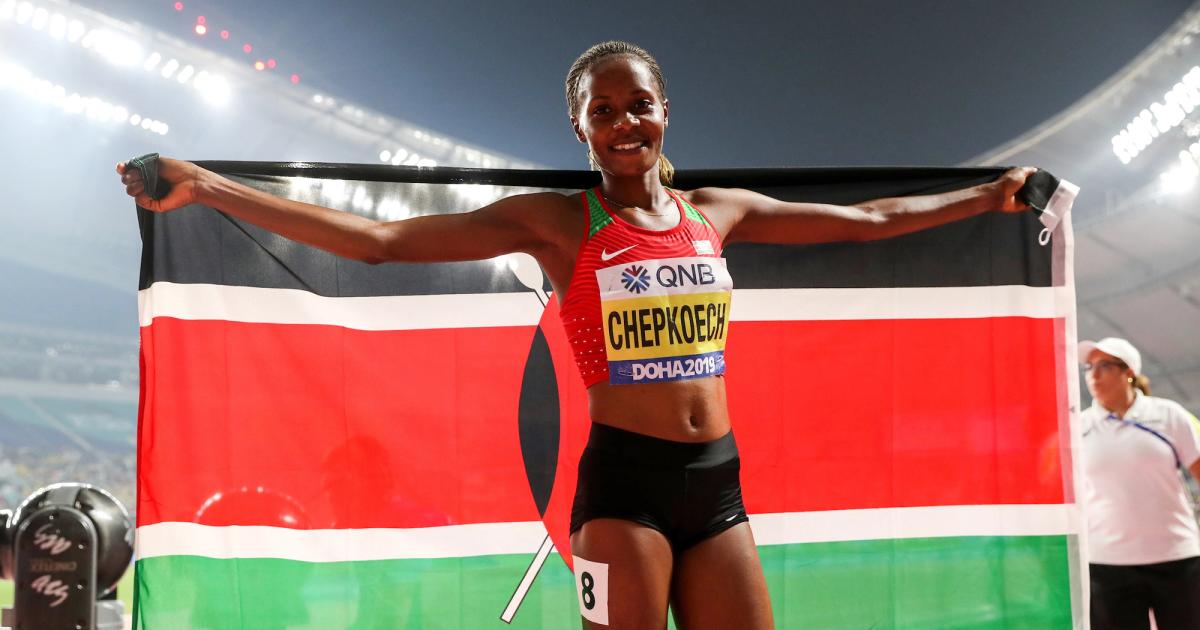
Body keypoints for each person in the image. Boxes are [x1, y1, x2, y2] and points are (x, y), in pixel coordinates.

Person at [118, 40, 1035, 629]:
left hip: (718, 482)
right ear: (581, 128)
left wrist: (990, 197)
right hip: (622, 494)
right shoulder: (560, 223)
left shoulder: (719, 212)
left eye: (637, 103)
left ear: (664, 109)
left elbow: (871, 222)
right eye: (604, 111)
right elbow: (384, 244)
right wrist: (208, 187)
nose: (624, 122)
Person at [1080, 337, 1200, 630]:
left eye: (1104, 366)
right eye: (1089, 367)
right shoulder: (1077, 427)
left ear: (1128, 372)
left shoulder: (1170, 415)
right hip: (1106, 564)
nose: (1093, 375)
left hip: (1177, 558)